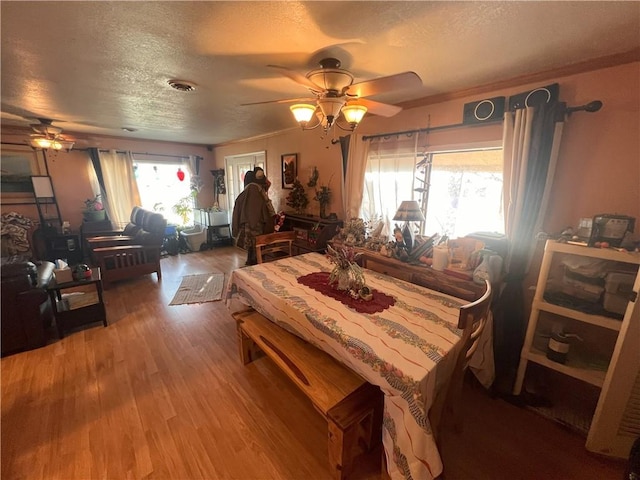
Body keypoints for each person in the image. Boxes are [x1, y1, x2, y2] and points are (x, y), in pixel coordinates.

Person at [232, 169, 276, 266]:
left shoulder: (245, 194)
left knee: (251, 248)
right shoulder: (260, 192)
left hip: (247, 225)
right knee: (259, 247)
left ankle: (251, 263)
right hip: (259, 224)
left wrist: (235, 229)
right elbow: (269, 210)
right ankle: (257, 264)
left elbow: (237, 211)